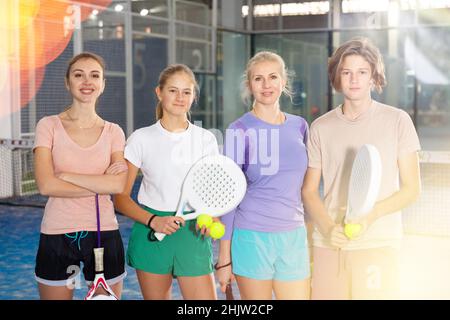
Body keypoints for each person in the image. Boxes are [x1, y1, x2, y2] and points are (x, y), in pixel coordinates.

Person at [301, 37, 421, 299]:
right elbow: (309, 191)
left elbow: (412, 189)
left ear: (373, 78)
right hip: (330, 244)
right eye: (347, 72)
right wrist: (329, 228)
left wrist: (372, 214)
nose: (354, 79)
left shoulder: (398, 120)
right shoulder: (320, 126)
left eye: (362, 72)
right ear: (337, 77)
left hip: (378, 242)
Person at [114, 64, 220, 300]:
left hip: (193, 234)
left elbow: (210, 194)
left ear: (194, 96)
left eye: (186, 92)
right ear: (159, 92)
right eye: (173, 90)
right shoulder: (140, 139)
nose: (180, 97)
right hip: (151, 234)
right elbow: (120, 198)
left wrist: (211, 215)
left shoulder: (206, 140)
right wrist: (154, 221)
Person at [33, 52, 128, 300]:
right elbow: (45, 185)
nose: (87, 81)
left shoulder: (114, 132)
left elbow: (118, 184)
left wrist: (65, 176)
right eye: (79, 75)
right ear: (68, 82)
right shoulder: (48, 126)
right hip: (57, 233)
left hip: (104, 233)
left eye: (94, 75)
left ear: (103, 84)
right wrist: (101, 183)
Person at [217, 51, 311, 300]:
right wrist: (224, 259)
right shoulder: (239, 130)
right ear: (250, 85)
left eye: (273, 77)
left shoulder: (300, 125)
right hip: (252, 237)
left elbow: (304, 188)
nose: (266, 85)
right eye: (258, 79)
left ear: (283, 82)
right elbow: (228, 199)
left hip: (294, 238)